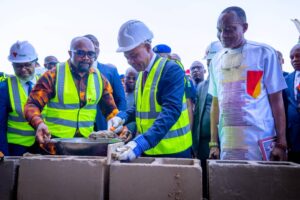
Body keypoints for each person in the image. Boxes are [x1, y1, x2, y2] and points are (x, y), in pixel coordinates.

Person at [208, 6, 287, 161]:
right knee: (230, 183)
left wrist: (282, 142)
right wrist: (213, 143)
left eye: (230, 29)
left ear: (245, 27)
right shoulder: (216, 60)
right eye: (219, 30)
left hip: (259, 142)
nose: (223, 35)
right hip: (228, 143)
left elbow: (277, 101)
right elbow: (215, 104)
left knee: (261, 183)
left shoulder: (264, 53)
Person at [109, 20, 192, 161]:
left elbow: (171, 110)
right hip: (149, 148)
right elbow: (139, 107)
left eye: (134, 55)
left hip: (173, 151)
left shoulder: (171, 69)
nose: (130, 61)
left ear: (148, 47)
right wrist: (122, 117)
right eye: (126, 57)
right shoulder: (142, 72)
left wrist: (141, 143)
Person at [24, 37, 119, 144]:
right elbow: (32, 105)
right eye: (80, 53)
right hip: (54, 142)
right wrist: (39, 124)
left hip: (86, 142)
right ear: (70, 53)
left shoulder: (100, 79)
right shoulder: (53, 75)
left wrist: (120, 127)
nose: (86, 58)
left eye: (91, 54)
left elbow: (111, 111)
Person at [192, 41, 222, 198]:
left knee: (219, 181)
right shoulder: (202, 86)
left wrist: (215, 142)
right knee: (203, 180)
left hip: (221, 143)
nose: (210, 63)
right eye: (208, 60)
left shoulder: (225, 83)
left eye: (213, 59)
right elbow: (197, 115)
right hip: (202, 143)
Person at [0, 41, 40, 156]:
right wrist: (4, 155)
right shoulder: (3, 88)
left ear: (35, 62)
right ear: (12, 65)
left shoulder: (46, 84)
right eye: (18, 66)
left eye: (27, 64)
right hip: (16, 148)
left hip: (43, 145)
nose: (23, 69)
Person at [84, 34, 126, 130]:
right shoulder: (74, 73)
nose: (94, 50)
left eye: (96, 47)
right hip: (79, 129)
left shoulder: (110, 71)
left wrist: (119, 122)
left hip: (104, 126)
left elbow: (121, 100)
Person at [283, 43, 300, 163]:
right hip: (294, 138)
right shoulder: (286, 80)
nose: (294, 60)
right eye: (292, 57)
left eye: (298, 56)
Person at [124, 67, 138, 135]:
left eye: (134, 78)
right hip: (122, 134)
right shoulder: (121, 96)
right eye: (128, 78)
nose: (131, 80)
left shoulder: (139, 95)